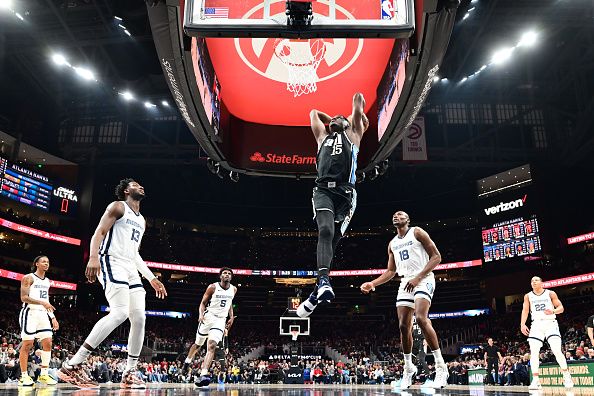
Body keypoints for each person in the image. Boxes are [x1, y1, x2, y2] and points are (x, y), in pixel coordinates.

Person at [58, 178, 167, 389]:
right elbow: (99, 231)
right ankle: (72, 365)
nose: (141, 186)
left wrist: (151, 277)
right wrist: (93, 257)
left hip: (130, 267)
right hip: (111, 261)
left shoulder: (142, 220)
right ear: (126, 190)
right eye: (136, 184)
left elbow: (135, 254)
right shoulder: (118, 206)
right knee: (120, 313)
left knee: (139, 317)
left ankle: (130, 372)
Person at [297, 92, 369, 317]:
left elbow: (357, 98)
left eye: (341, 118)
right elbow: (313, 113)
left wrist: (348, 119)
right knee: (325, 231)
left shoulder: (354, 134)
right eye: (333, 119)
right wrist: (334, 120)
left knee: (333, 239)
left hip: (346, 194)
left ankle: (316, 291)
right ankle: (324, 280)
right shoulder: (321, 137)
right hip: (323, 191)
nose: (335, 119)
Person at [360, 211, 448, 389]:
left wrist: (418, 277)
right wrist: (372, 283)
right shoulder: (392, 243)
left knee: (422, 318)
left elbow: (437, 257)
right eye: (394, 215)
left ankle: (441, 366)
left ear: (407, 220)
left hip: (424, 278)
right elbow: (391, 272)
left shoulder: (417, 232)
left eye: (401, 215)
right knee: (402, 326)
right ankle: (408, 368)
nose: (396, 216)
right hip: (406, 281)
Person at [185, 267, 236, 387]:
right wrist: (201, 315)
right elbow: (203, 303)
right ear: (220, 276)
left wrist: (231, 317)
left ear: (231, 277)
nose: (227, 275)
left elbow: (229, 304)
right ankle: (187, 361)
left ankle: (203, 374)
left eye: (229, 273)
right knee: (197, 344)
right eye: (224, 273)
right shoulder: (212, 287)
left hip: (220, 320)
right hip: (208, 317)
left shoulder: (234, 289)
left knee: (212, 345)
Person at [520, 276, 573, 389]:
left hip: (550, 323)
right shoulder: (528, 296)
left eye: (536, 280)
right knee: (533, 352)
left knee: (557, 350)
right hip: (536, 324)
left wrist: (553, 311)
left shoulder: (550, 293)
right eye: (532, 281)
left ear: (542, 283)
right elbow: (525, 310)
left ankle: (566, 375)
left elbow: (561, 308)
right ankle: (536, 380)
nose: (533, 282)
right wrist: (522, 324)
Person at [17, 256, 59, 387]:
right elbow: (24, 298)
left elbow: (46, 301)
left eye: (48, 262)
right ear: (36, 264)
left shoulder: (47, 281)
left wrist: (52, 317)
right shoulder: (28, 278)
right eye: (43, 261)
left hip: (42, 315)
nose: (46, 263)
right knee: (28, 344)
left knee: (48, 343)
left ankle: (44, 374)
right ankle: (24, 376)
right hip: (29, 313)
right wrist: (41, 302)